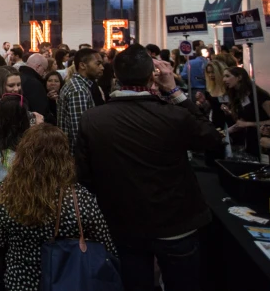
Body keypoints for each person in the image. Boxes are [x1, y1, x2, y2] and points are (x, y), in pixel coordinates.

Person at [76, 44, 221, 291]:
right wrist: (175, 92)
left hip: (124, 224)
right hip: (175, 222)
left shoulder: (93, 119)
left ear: (116, 77)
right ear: (150, 76)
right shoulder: (173, 115)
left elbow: (84, 175)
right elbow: (212, 140)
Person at [0, 124, 116, 290]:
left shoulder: (2, 195)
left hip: (19, 281)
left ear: (22, 155)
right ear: (64, 157)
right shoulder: (78, 199)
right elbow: (106, 245)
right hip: (68, 279)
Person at [58, 47, 103, 156]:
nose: (102, 67)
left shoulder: (80, 86)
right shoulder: (79, 90)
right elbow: (79, 131)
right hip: (77, 157)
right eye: (98, 64)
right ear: (82, 65)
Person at [223, 67, 270, 157]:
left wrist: (248, 124)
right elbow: (242, 122)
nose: (224, 79)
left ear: (239, 77)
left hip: (264, 140)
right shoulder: (239, 96)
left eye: (227, 76)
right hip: (250, 139)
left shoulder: (260, 96)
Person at [18, 53, 51, 121]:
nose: (44, 73)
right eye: (44, 70)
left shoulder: (18, 77)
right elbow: (40, 112)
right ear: (38, 67)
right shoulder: (35, 84)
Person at [204, 60, 230, 130]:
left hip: (230, 123)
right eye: (208, 72)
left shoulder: (230, 88)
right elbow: (210, 107)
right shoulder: (209, 89)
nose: (210, 75)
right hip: (215, 122)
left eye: (213, 72)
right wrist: (202, 103)